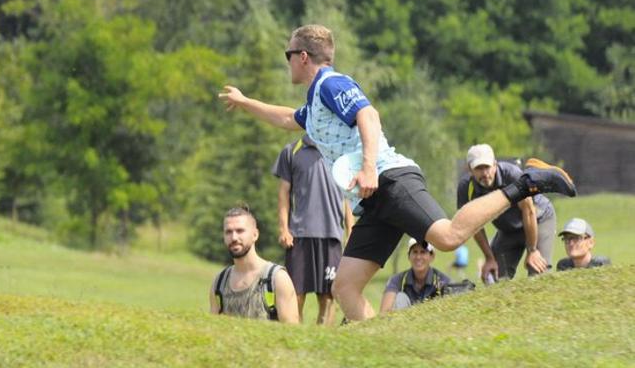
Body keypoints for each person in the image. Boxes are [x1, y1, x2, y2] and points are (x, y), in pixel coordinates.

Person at [219, 24, 577, 322]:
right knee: (344, 287)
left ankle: (528, 183)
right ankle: (382, 350)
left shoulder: (331, 83)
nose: (286, 63)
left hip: (390, 179)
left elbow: (368, 115)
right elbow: (285, 118)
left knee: (449, 238)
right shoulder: (314, 104)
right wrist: (246, 102)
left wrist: (371, 167)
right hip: (371, 202)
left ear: (303, 57)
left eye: (287, 55)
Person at [272, 134, 354, 324]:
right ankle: (295, 343)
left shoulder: (341, 151)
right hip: (299, 235)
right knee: (296, 296)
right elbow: (283, 192)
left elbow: (348, 194)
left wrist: (351, 228)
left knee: (327, 298)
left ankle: (322, 347)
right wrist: (283, 228)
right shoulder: (291, 151)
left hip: (332, 235)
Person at [458, 143, 557, 281]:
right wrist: (489, 258)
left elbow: (528, 212)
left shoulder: (512, 175)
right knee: (494, 278)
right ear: (470, 169)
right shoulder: (466, 188)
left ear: (495, 164)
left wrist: (532, 250)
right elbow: (474, 227)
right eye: (479, 168)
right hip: (509, 229)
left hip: (538, 219)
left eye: (487, 167)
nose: (485, 173)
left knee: (537, 273)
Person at [209, 204, 300, 323]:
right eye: (228, 232)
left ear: (255, 235)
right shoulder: (219, 283)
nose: (234, 237)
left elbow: (291, 334)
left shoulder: (277, 279)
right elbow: (212, 329)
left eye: (240, 231)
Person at [379, 239, 452, 313]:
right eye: (415, 252)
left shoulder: (443, 280)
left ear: (432, 256)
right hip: (404, 322)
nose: (418, 257)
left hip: (433, 321)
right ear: (409, 256)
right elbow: (384, 313)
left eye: (423, 252)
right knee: (400, 297)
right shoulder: (397, 280)